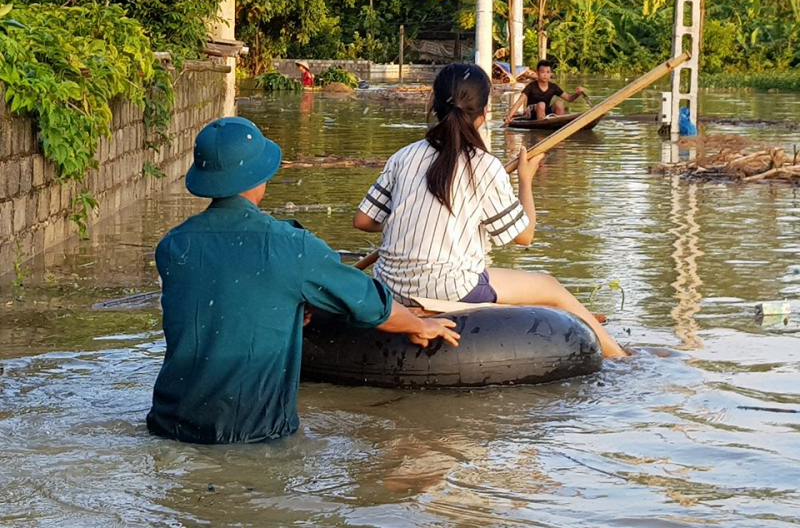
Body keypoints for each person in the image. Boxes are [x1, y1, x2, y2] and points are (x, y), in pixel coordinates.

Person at [147, 117, 459, 444]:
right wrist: (418, 325)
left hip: (169, 426)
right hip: (253, 436)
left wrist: (284, 313)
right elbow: (368, 303)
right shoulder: (293, 247)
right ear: (260, 177)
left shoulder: (173, 245)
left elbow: (217, 309)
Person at [354, 63, 627, 358]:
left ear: (434, 104)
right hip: (452, 287)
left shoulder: (402, 157)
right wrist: (525, 181)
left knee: (522, 296)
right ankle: (622, 359)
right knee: (550, 287)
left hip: (388, 284)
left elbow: (364, 221)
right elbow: (524, 236)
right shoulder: (485, 166)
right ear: (483, 114)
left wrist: (409, 217)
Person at [504, 59, 584, 122]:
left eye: (548, 72)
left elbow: (569, 98)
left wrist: (577, 94)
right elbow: (519, 102)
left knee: (559, 104)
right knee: (541, 104)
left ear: (550, 74)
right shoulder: (531, 86)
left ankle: (559, 125)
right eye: (542, 72)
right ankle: (541, 127)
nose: (545, 75)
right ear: (537, 73)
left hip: (544, 111)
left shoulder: (553, 87)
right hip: (531, 113)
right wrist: (509, 116)